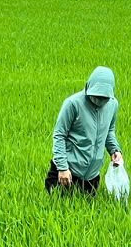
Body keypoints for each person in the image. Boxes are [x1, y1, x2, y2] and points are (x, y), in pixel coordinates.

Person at [45, 66, 123, 196]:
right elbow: (59, 135)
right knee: (57, 210)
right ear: (88, 87)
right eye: (96, 96)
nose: (99, 101)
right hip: (67, 173)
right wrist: (63, 168)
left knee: (86, 211)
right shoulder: (73, 104)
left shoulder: (112, 104)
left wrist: (115, 150)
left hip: (91, 177)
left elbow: (109, 131)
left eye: (104, 98)